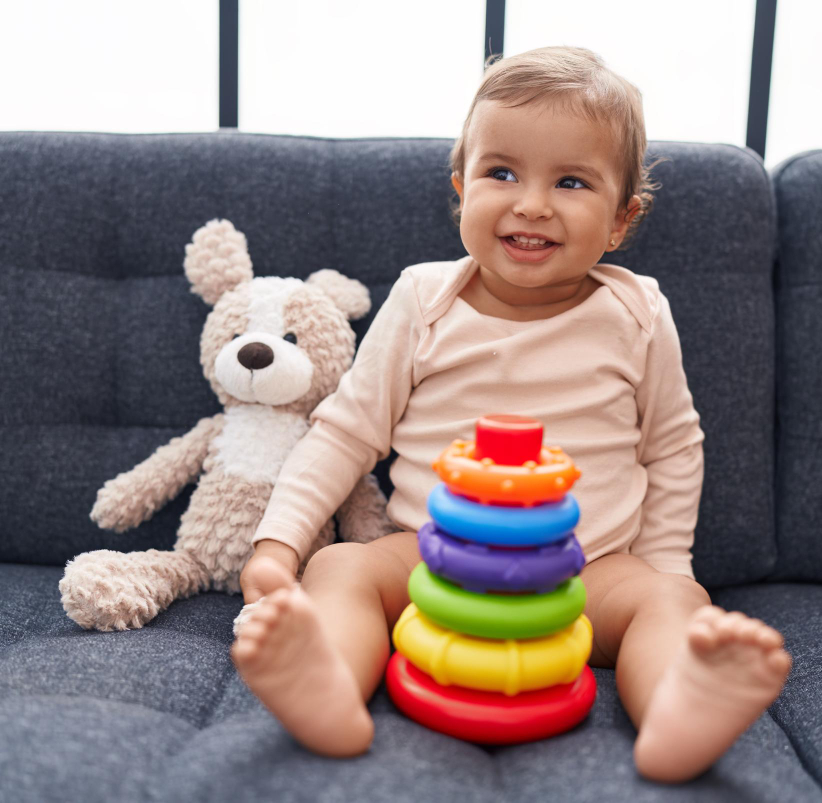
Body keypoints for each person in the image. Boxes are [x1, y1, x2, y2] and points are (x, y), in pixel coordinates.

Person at [230, 45, 791, 784]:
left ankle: (678, 709)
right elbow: (346, 429)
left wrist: (663, 568)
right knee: (341, 568)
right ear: (462, 189)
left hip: (588, 568)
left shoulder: (637, 312)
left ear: (621, 219)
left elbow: (674, 447)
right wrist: (278, 545)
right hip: (434, 560)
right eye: (502, 173)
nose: (532, 203)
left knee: (675, 601)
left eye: (571, 181)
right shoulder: (422, 299)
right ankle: (325, 680)